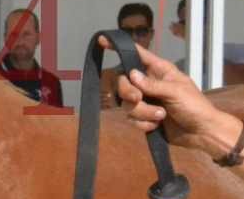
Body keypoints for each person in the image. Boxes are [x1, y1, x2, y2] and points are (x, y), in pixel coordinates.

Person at [105, 38, 244, 167]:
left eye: (142, 30)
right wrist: (206, 131)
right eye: (128, 30)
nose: (136, 36)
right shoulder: (180, 64)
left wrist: (207, 130)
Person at [0, 7, 64, 107]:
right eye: (14, 35)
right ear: (5, 38)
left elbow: (59, 122)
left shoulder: (51, 83)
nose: (20, 42)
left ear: (38, 38)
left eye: (26, 34)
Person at [170, 0, 244, 87]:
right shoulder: (180, 67)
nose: (191, 28)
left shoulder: (236, 53)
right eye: (185, 23)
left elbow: (239, 82)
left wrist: (198, 45)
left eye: (197, 21)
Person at [99, 2, 154, 109]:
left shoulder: (164, 75)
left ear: (151, 34)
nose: (134, 37)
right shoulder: (108, 76)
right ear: (119, 35)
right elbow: (111, 116)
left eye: (141, 31)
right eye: (127, 32)